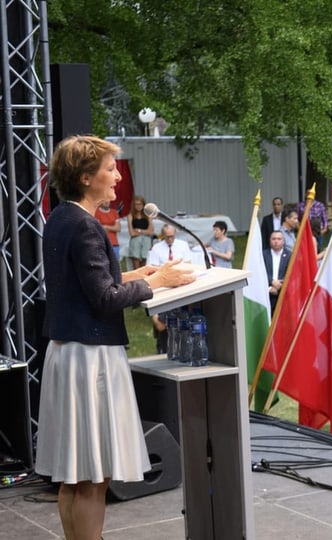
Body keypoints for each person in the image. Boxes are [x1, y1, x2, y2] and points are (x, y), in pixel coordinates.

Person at [37, 135, 195, 540]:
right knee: (93, 477)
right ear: (86, 177)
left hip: (68, 354)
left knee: (75, 478)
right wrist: (158, 280)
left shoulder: (60, 218)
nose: (116, 176)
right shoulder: (87, 226)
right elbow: (104, 299)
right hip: (91, 361)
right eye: (110, 169)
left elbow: (84, 285)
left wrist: (135, 276)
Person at [263, 231, 291, 310]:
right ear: (270, 240)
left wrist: (280, 286)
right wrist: (271, 282)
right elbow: (260, 273)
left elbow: (292, 274)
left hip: (283, 294)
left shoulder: (290, 255)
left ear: (283, 241)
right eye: (273, 239)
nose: (276, 241)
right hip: (267, 293)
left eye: (279, 239)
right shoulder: (263, 255)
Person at [126, 194, 154, 269]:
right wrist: (145, 231)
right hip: (135, 241)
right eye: (136, 204)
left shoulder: (148, 216)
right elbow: (131, 233)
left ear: (143, 205)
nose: (138, 206)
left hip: (146, 240)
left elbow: (151, 231)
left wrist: (139, 230)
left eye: (140, 204)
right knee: (136, 264)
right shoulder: (130, 215)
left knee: (145, 263)